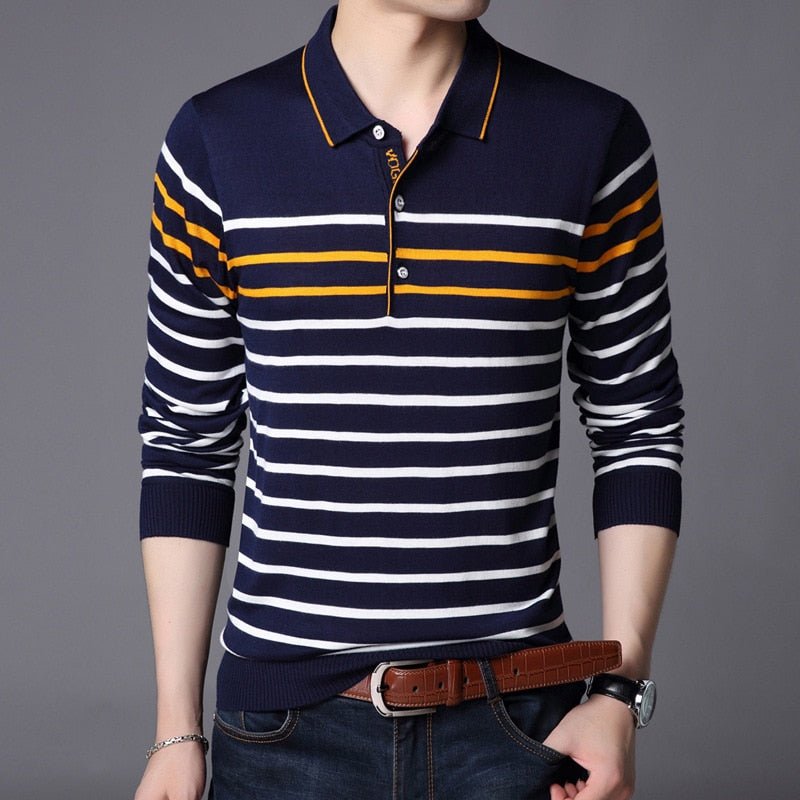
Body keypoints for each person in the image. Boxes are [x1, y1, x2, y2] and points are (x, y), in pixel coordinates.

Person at [134, 1, 683, 798]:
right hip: (284, 739)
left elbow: (638, 424)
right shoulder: (217, 142)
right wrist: (175, 730)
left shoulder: (591, 135)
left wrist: (619, 694)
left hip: (520, 731)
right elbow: (186, 443)